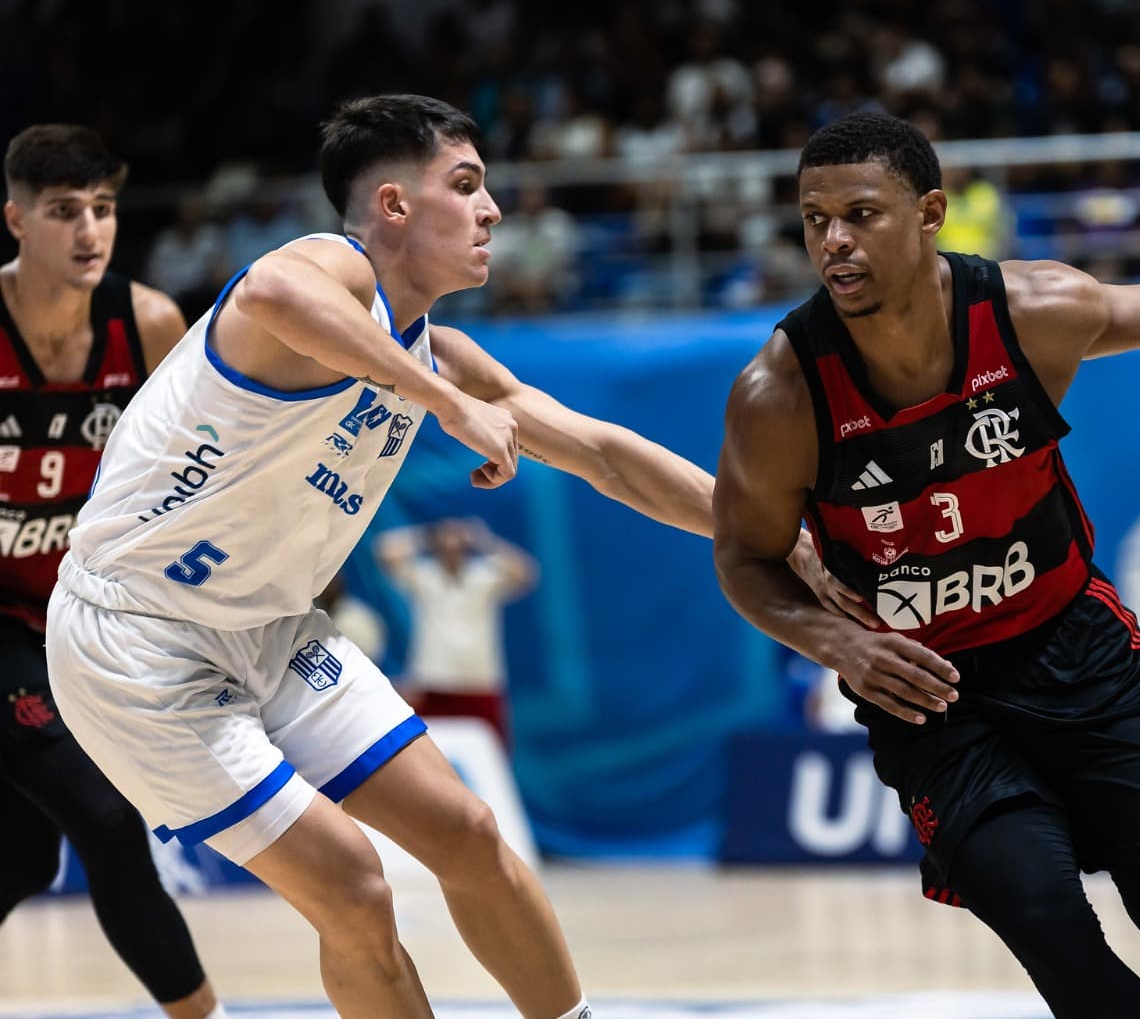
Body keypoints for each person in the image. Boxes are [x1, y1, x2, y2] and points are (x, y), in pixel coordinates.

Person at [43, 95, 840, 1019]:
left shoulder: (445, 358)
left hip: (268, 631)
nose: (493, 209)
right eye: (465, 186)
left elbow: (605, 454)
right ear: (391, 206)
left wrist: (770, 533)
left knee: (467, 833)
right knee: (355, 888)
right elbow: (268, 293)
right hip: (138, 643)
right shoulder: (328, 270)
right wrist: (448, 406)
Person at [711, 112, 1140, 1018]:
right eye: (814, 220)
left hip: (1072, 647)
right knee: (1042, 917)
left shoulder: (1030, 313)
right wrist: (837, 646)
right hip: (929, 694)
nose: (834, 242)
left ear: (931, 212)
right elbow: (744, 557)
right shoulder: (780, 395)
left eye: (860, 213)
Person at [0, 125, 226, 1019]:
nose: (90, 231)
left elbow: (186, 481)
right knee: (104, 818)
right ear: (15, 220)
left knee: (21, 856)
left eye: (103, 209)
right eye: (64, 212)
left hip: (78, 618)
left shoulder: (149, 322)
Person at [376, 517, 537, 746]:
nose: (451, 544)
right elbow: (385, 553)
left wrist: (484, 540)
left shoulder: (484, 577)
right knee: (429, 756)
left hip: (480, 682)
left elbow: (526, 574)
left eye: (457, 539)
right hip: (432, 681)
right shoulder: (424, 575)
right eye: (446, 539)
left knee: (490, 758)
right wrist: (428, 535)